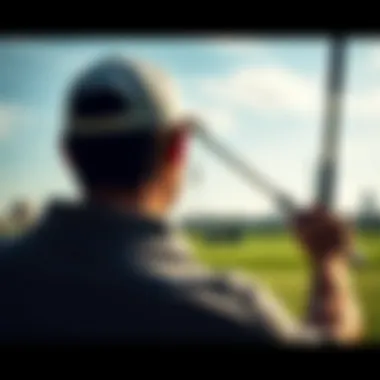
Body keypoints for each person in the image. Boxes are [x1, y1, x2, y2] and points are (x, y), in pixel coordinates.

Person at [0, 56, 363, 344]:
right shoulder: (233, 314)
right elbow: (332, 335)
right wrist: (329, 263)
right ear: (177, 148)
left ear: (67, 155)